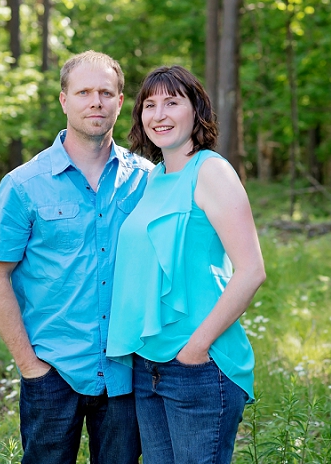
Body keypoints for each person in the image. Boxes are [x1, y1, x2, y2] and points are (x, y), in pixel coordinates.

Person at [0, 51, 153, 464]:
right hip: (52, 372)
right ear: (64, 100)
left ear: (120, 100)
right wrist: (29, 363)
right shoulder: (24, 185)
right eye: (84, 92)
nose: (96, 101)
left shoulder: (148, 180)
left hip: (126, 372)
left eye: (106, 93)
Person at [107, 65, 266, 464]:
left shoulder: (211, 171)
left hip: (198, 366)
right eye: (150, 104)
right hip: (149, 367)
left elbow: (251, 271)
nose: (159, 114)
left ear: (196, 110)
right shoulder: (154, 177)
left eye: (172, 102)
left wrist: (196, 348)